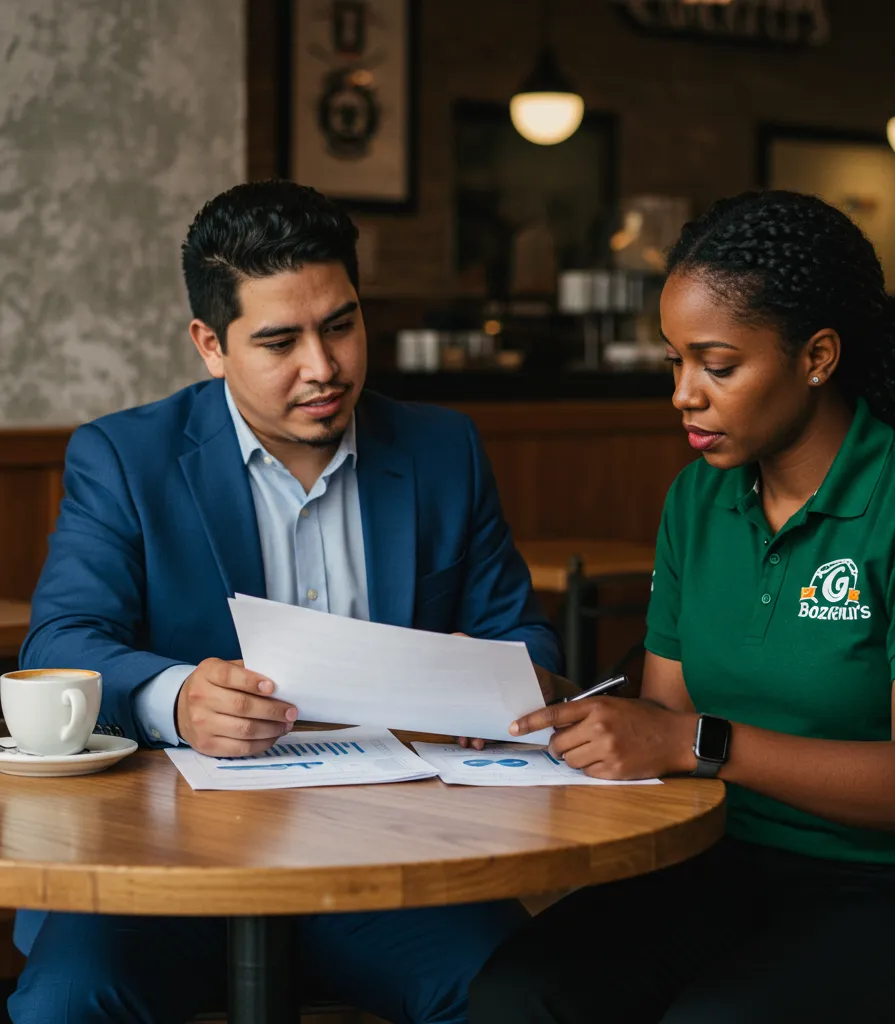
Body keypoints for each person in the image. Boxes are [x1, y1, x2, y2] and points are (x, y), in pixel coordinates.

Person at [10, 180, 561, 1024]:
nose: (324, 366)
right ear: (210, 344)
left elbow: (523, 635)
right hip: (172, 868)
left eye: (340, 324)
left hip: (396, 864)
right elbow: (64, 639)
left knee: (524, 1000)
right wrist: (179, 698)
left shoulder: (442, 449)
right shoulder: (124, 457)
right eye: (280, 341)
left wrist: (491, 689)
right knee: (62, 1006)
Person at [469, 190, 895, 1023]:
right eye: (674, 363)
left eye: (717, 366)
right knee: (519, 996)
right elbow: (666, 720)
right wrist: (575, 720)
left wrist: (697, 741)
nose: (684, 394)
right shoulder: (698, 500)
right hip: (723, 863)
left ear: (818, 356)